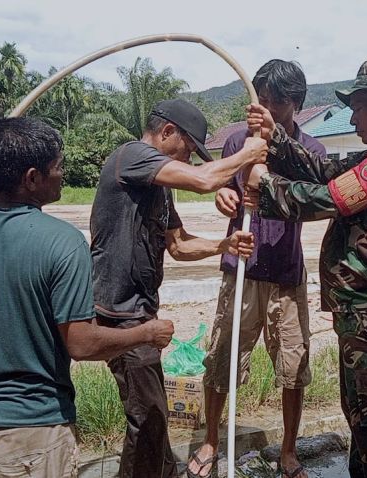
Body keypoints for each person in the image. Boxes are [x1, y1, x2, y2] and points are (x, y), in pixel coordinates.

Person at [0, 117, 175, 478]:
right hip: (33, 435)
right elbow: (82, 344)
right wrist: (147, 333)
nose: (62, 174)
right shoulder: (62, 242)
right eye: (58, 167)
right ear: (32, 178)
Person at [245, 59, 367, 477]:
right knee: (366, 423)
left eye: (359, 106)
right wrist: (275, 140)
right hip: (366, 318)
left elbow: (329, 198)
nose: (352, 116)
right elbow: (322, 171)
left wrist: (267, 185)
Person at [89, 98, 267, 478]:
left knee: (149, 415)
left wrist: (224, 244)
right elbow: (206, 180)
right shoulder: (131, 156)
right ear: (167, 132)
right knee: (149, 415)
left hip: (139, 311)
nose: (188, 158)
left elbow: (178, 243)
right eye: (188, 148)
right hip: (118, 313)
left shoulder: (159, 186)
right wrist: (250, 152)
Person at [188, 60, 324, 478]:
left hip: (285, 274)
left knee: (292, 366)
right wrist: (224, 199)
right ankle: (211, 440)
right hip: (241, 268)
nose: (262, 108)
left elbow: (316, 200)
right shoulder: (237, 143)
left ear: (295, 104)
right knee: (222, 358)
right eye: (259, 99)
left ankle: (288, 451)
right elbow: (224, 190)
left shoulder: (311, 152)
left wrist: (268, 168)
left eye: (273, 102)